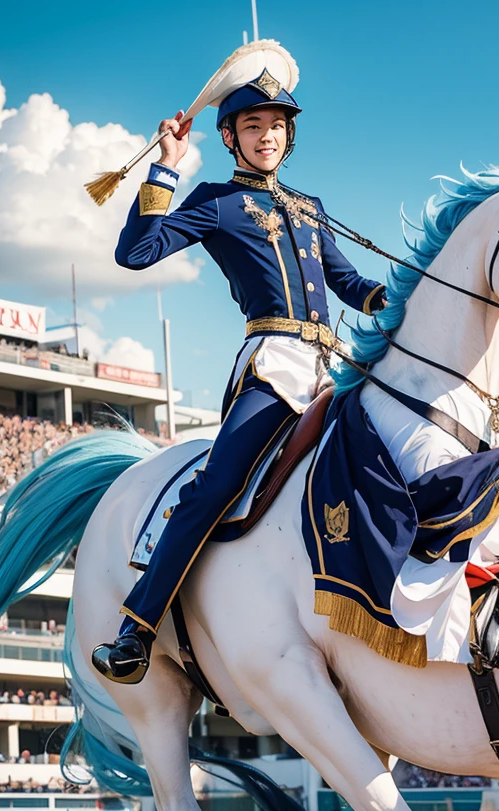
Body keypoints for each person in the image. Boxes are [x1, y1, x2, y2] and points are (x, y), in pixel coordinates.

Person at [92, 43, 386, 684]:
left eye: (277, 125)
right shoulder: (219, 201)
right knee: (217, 485)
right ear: (229, 136)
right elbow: (136, 253)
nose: (267, 136)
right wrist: (167, 168)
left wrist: (405, 298)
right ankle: (136, 627)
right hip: (275, 362)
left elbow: (349, 283)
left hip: (333, 366)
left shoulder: (309, 206)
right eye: (253, 126)